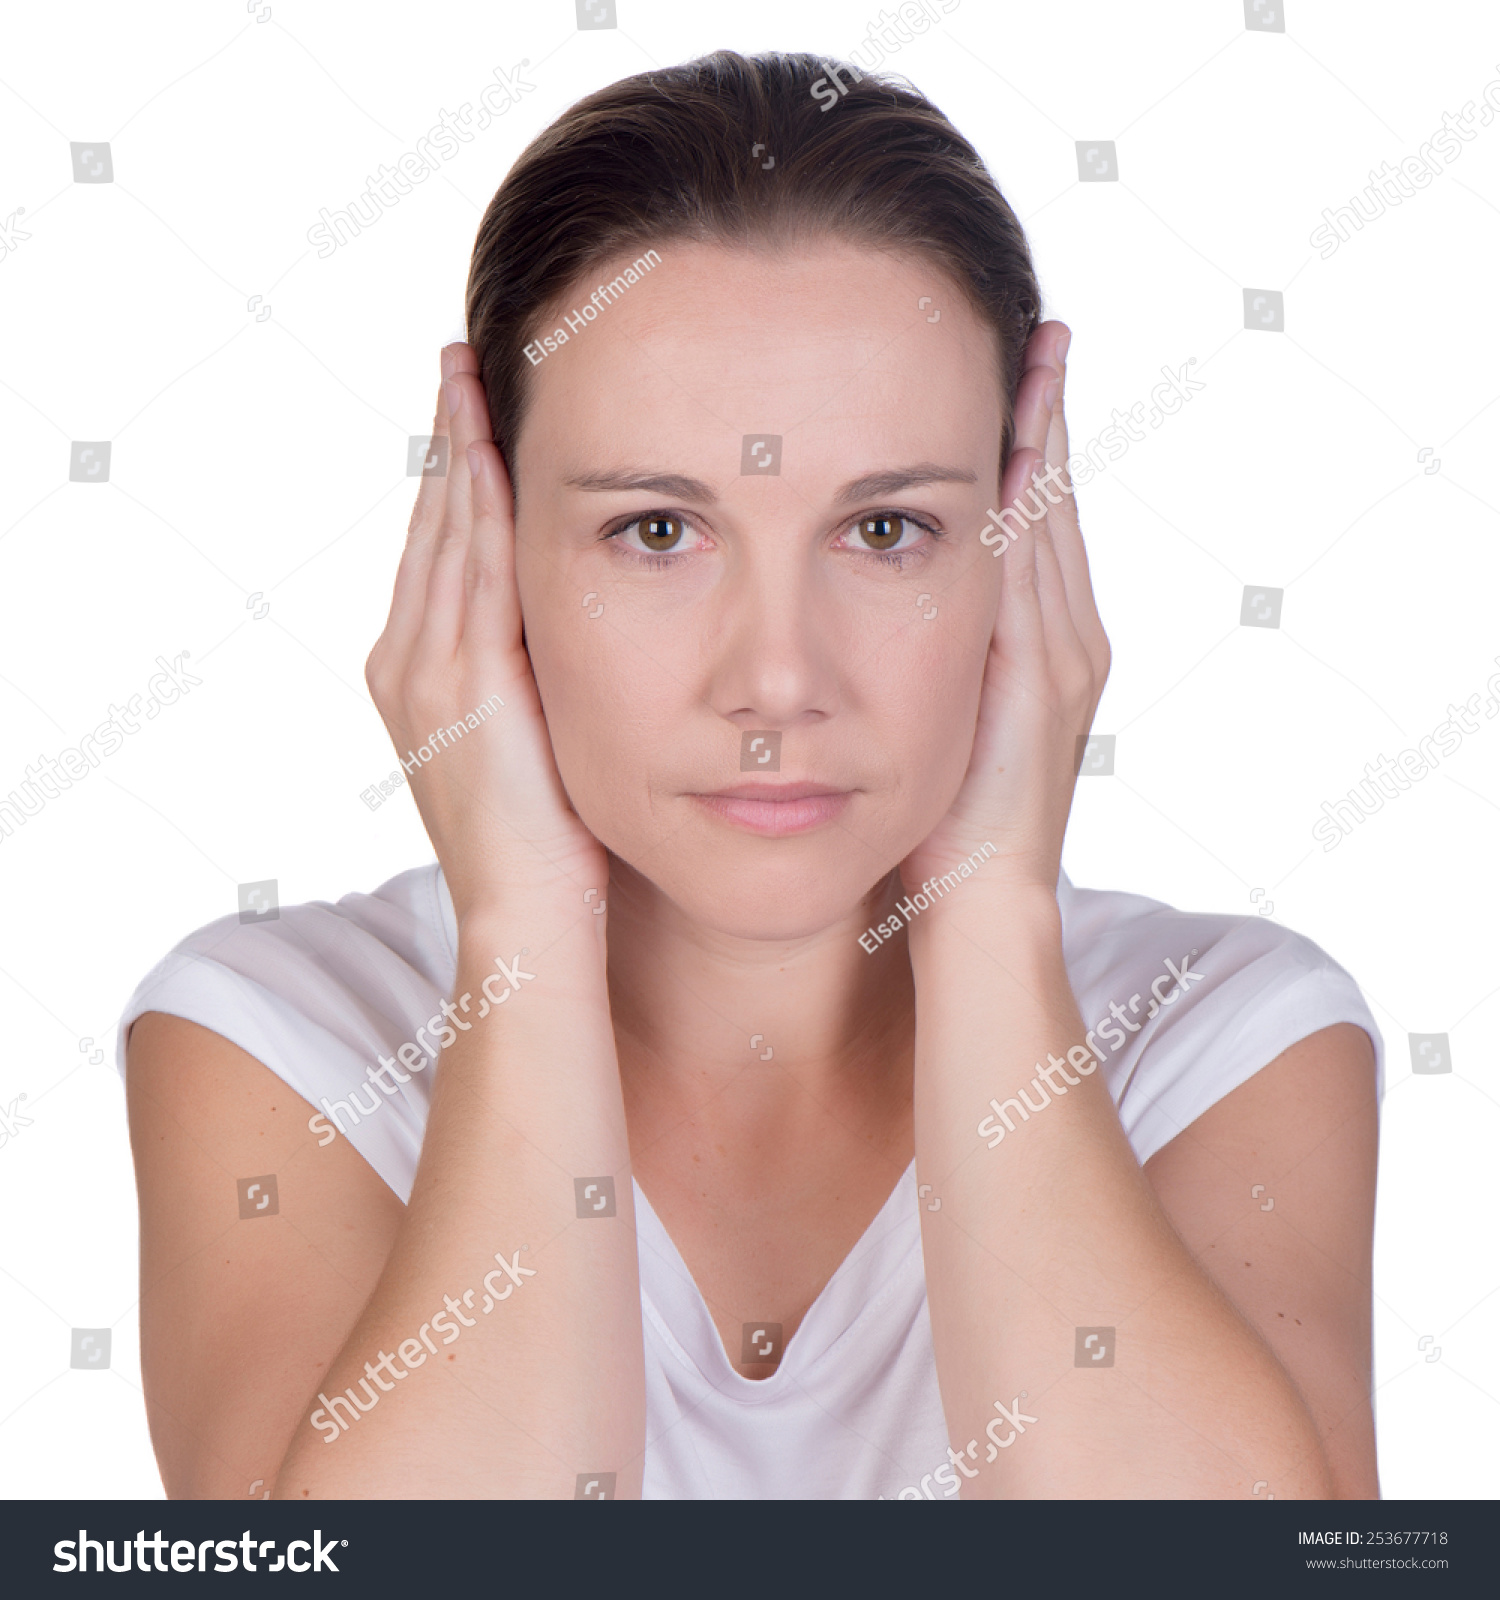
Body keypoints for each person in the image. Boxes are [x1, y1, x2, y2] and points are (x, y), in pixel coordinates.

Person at [119, 51, 1381, 1500]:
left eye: (888, 530)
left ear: (1020, 550)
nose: (778, 679)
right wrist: (522, 928)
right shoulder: (281, 1043)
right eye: (658, 531)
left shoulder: (1226, 1041)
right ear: (490, 551)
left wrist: (986, 906)